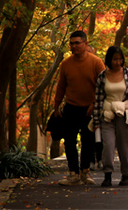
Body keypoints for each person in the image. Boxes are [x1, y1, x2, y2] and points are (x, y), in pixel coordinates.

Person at [53, 30, 106, 185]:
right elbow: (61, 86)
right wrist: (56, 106)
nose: (74, 46)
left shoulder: (96, 62)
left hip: (90, 108)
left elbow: (103, 86)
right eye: (71, 43)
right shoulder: (66, 64)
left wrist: (94, 104)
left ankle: (85, 172)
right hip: (71, 107)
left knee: (88, 141)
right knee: (69, 141)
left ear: (85, 44)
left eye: (77, 43)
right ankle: (73, 174)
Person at [93, 45, 128, 187]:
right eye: (115, 59)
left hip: (125, 114)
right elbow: (98, 99)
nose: (118, 62)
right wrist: (96, 120)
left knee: (124, 146)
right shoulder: (102, 76)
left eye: (120, 59)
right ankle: (107, 174)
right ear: (109, 59)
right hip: (108, 114)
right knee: (107, 145)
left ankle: (126, 175)